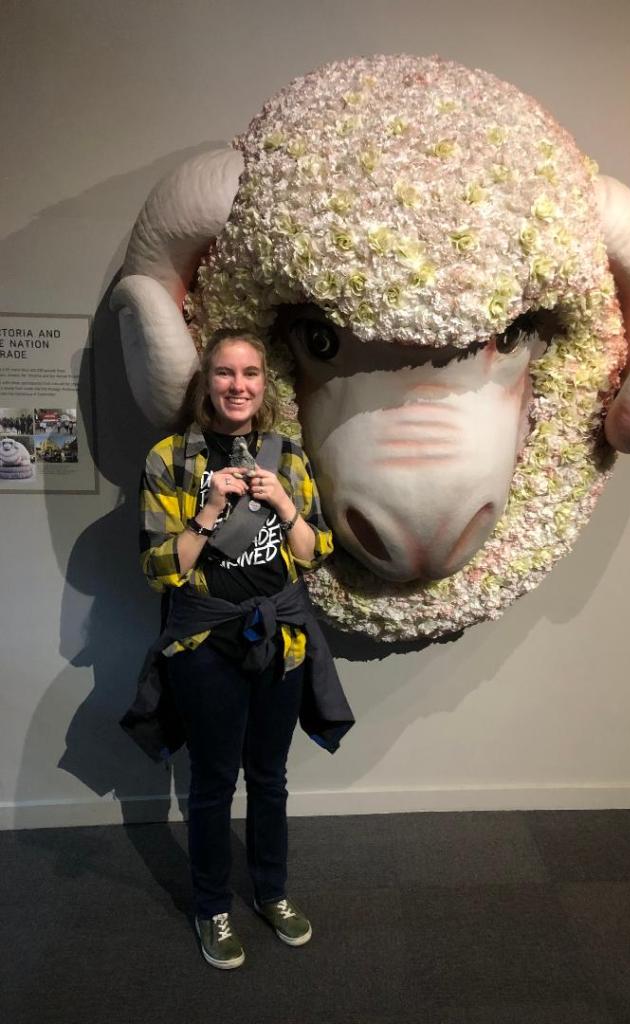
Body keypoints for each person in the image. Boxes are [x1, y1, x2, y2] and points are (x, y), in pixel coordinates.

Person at [136, 327, 350, 970]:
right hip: (205, 640)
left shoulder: (288, 456)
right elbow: (158, 569)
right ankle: (211, 906)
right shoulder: (170, 457)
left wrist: (284, 503)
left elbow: (314, 553)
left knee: (269, 777)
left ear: (263, 384)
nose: (238, 386)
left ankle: (272, 892)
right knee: (211, 781)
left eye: (250, 373)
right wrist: (208, 511)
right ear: (207, 383)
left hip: (280, 635)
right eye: (225, 373)